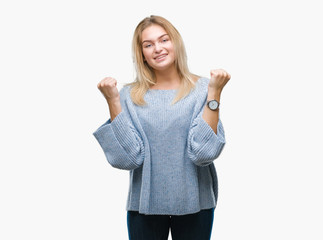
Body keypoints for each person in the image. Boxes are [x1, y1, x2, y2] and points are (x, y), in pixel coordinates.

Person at [93, 15, 231, 240]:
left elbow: (204, 153)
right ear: (142, 55)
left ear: (175, 43)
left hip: (196, 203)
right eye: (148, 45)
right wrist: (112, 101)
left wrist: (214, 94)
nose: (158, 48)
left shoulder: (204, 89)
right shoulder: (127, 96)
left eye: (164, 40)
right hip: (144, 204)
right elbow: (127, 159)